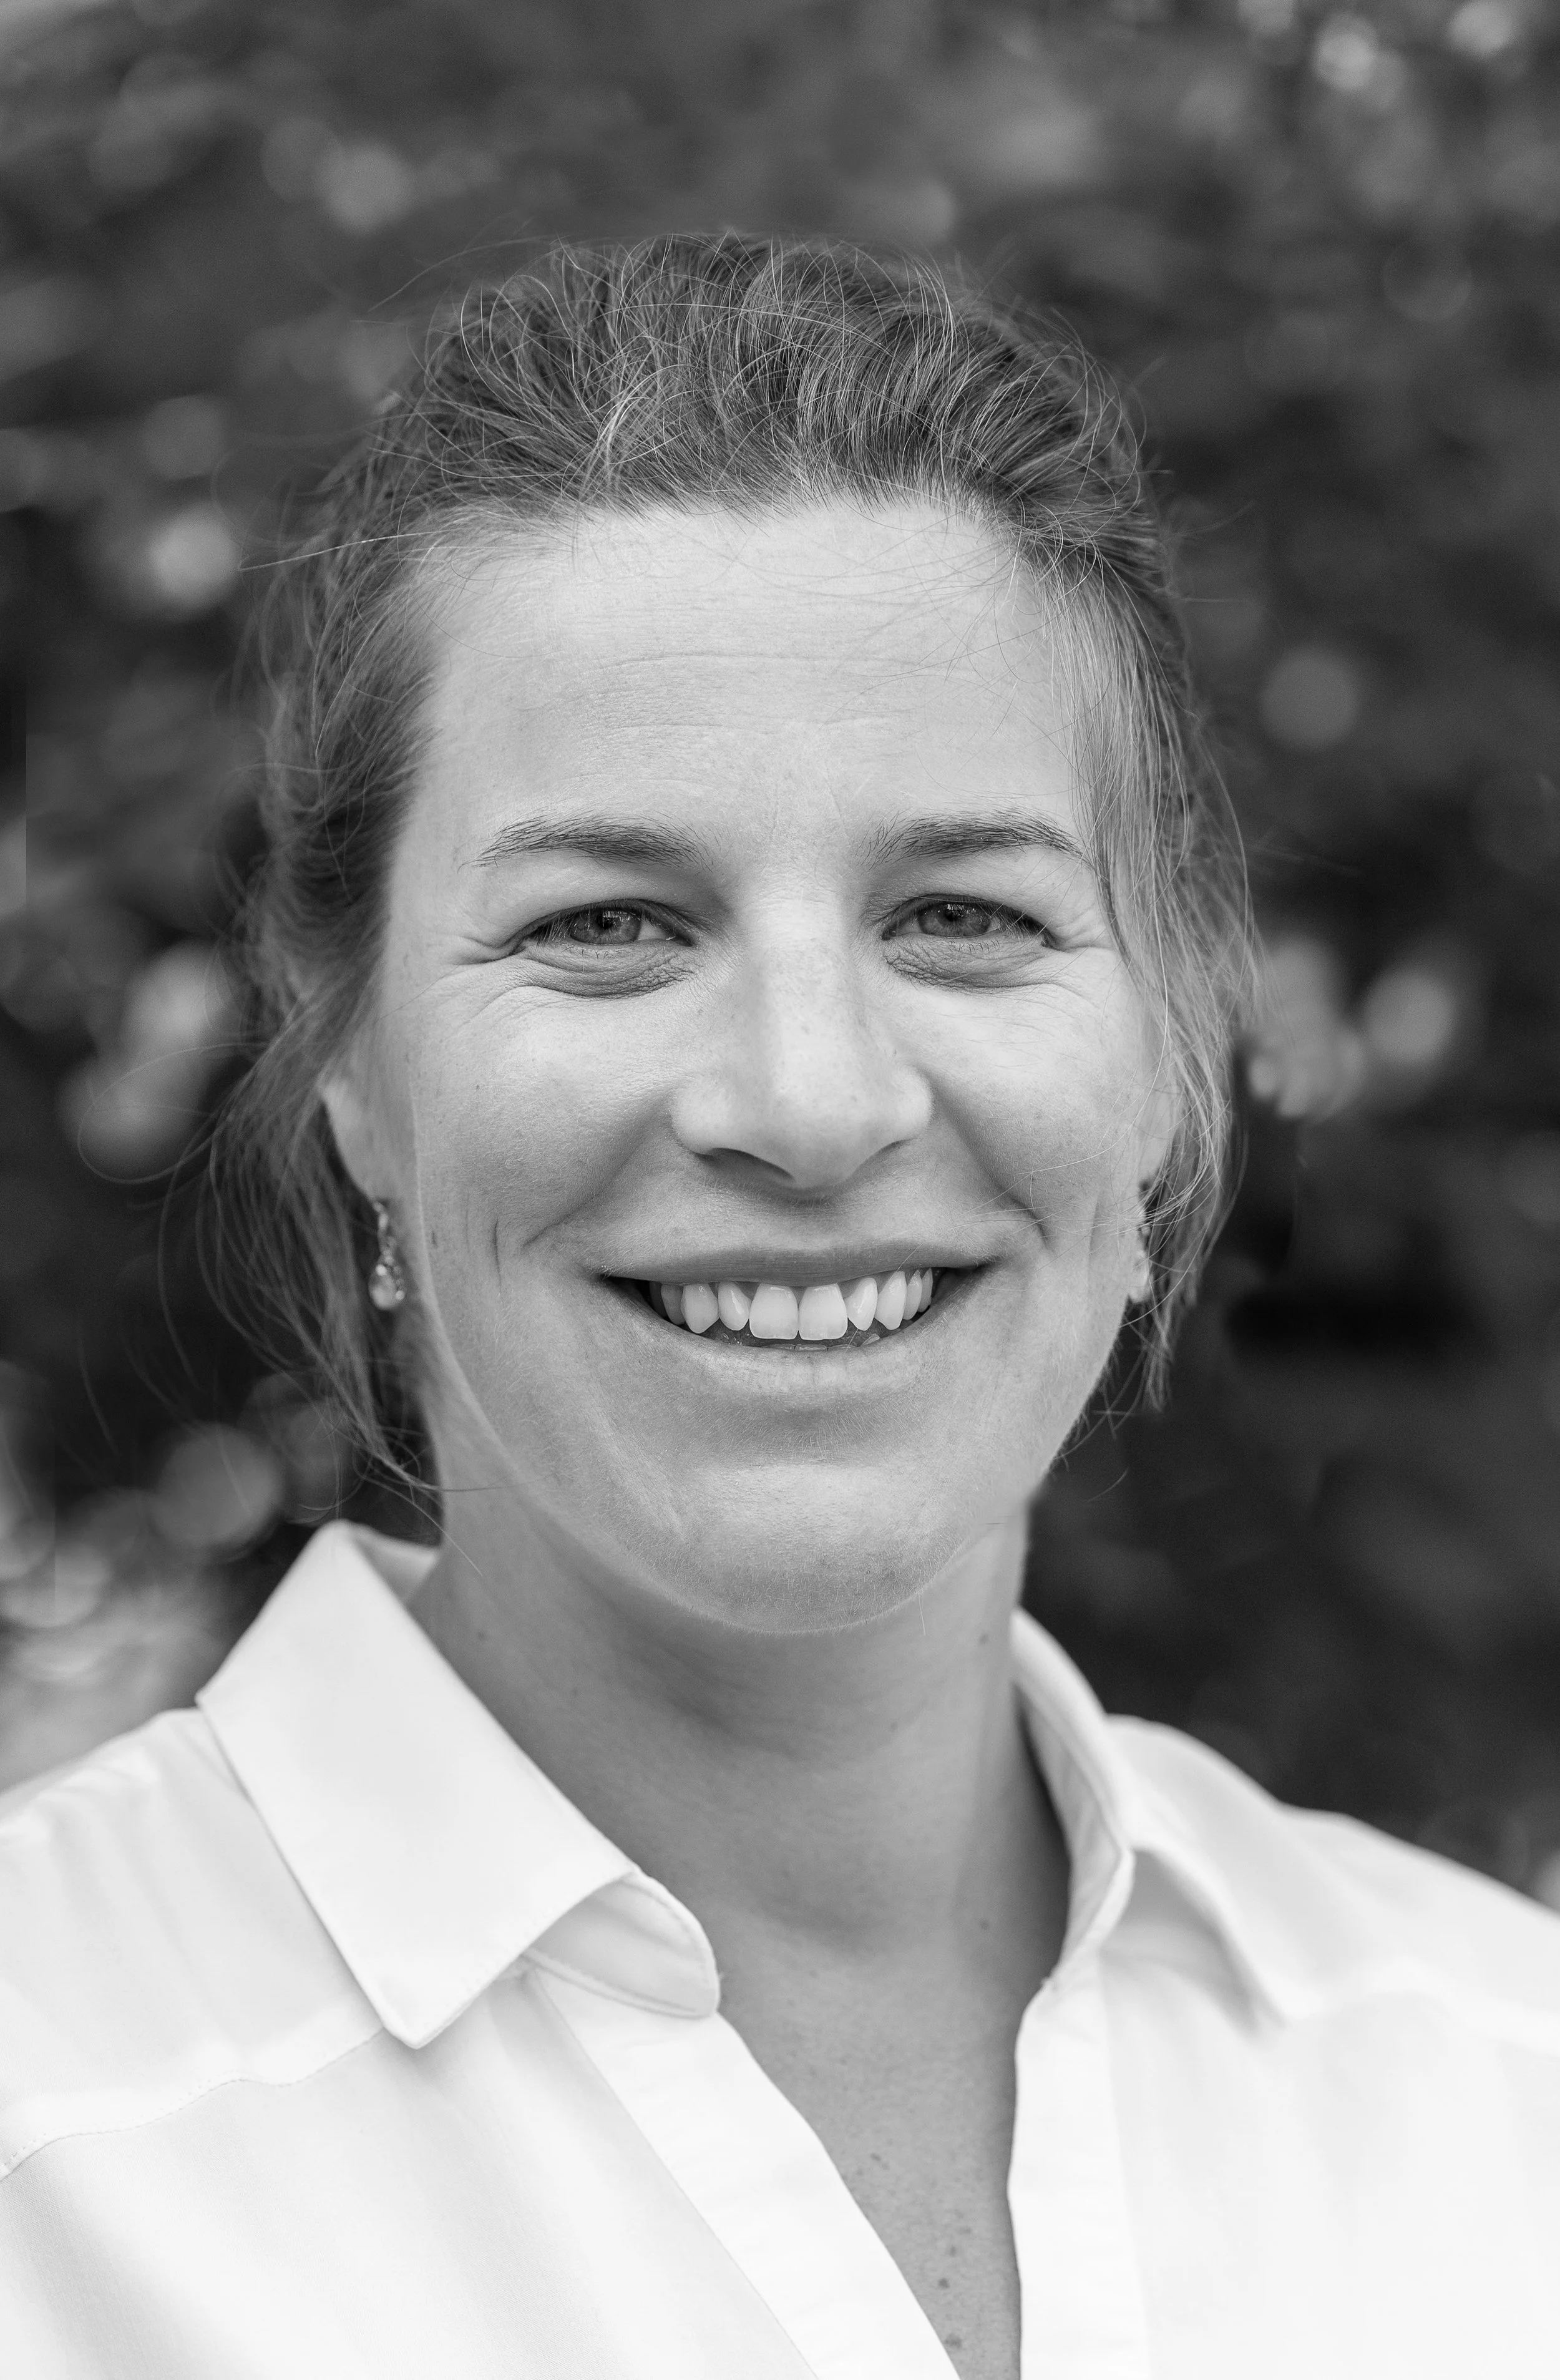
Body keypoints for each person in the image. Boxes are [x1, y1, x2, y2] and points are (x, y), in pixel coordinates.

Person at [1, 235, 1556, 2380]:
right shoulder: (50, 2144)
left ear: (1174, 1058)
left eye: (961, 913)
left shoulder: (1500, 2100)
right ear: (348, 1057)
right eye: (611, 921)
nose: (809, 1101)